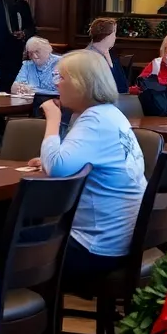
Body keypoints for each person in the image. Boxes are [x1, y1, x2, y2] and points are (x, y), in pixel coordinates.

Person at [28, 50, 146, 286]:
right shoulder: (111, 114)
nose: (56, 84)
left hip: (95, 248)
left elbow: (57, 167)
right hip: (119, 240)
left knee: (5, 244)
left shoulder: (95, 120)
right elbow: (73, 161)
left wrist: (53, 118)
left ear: (82, 84)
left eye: (61, 78)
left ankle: (17, 317)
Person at [86, 17, 128, 93]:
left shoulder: (110, 53)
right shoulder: (89, 57)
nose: (115, 37)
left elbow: (122, 85)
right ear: (106, 36)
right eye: (114, 34)